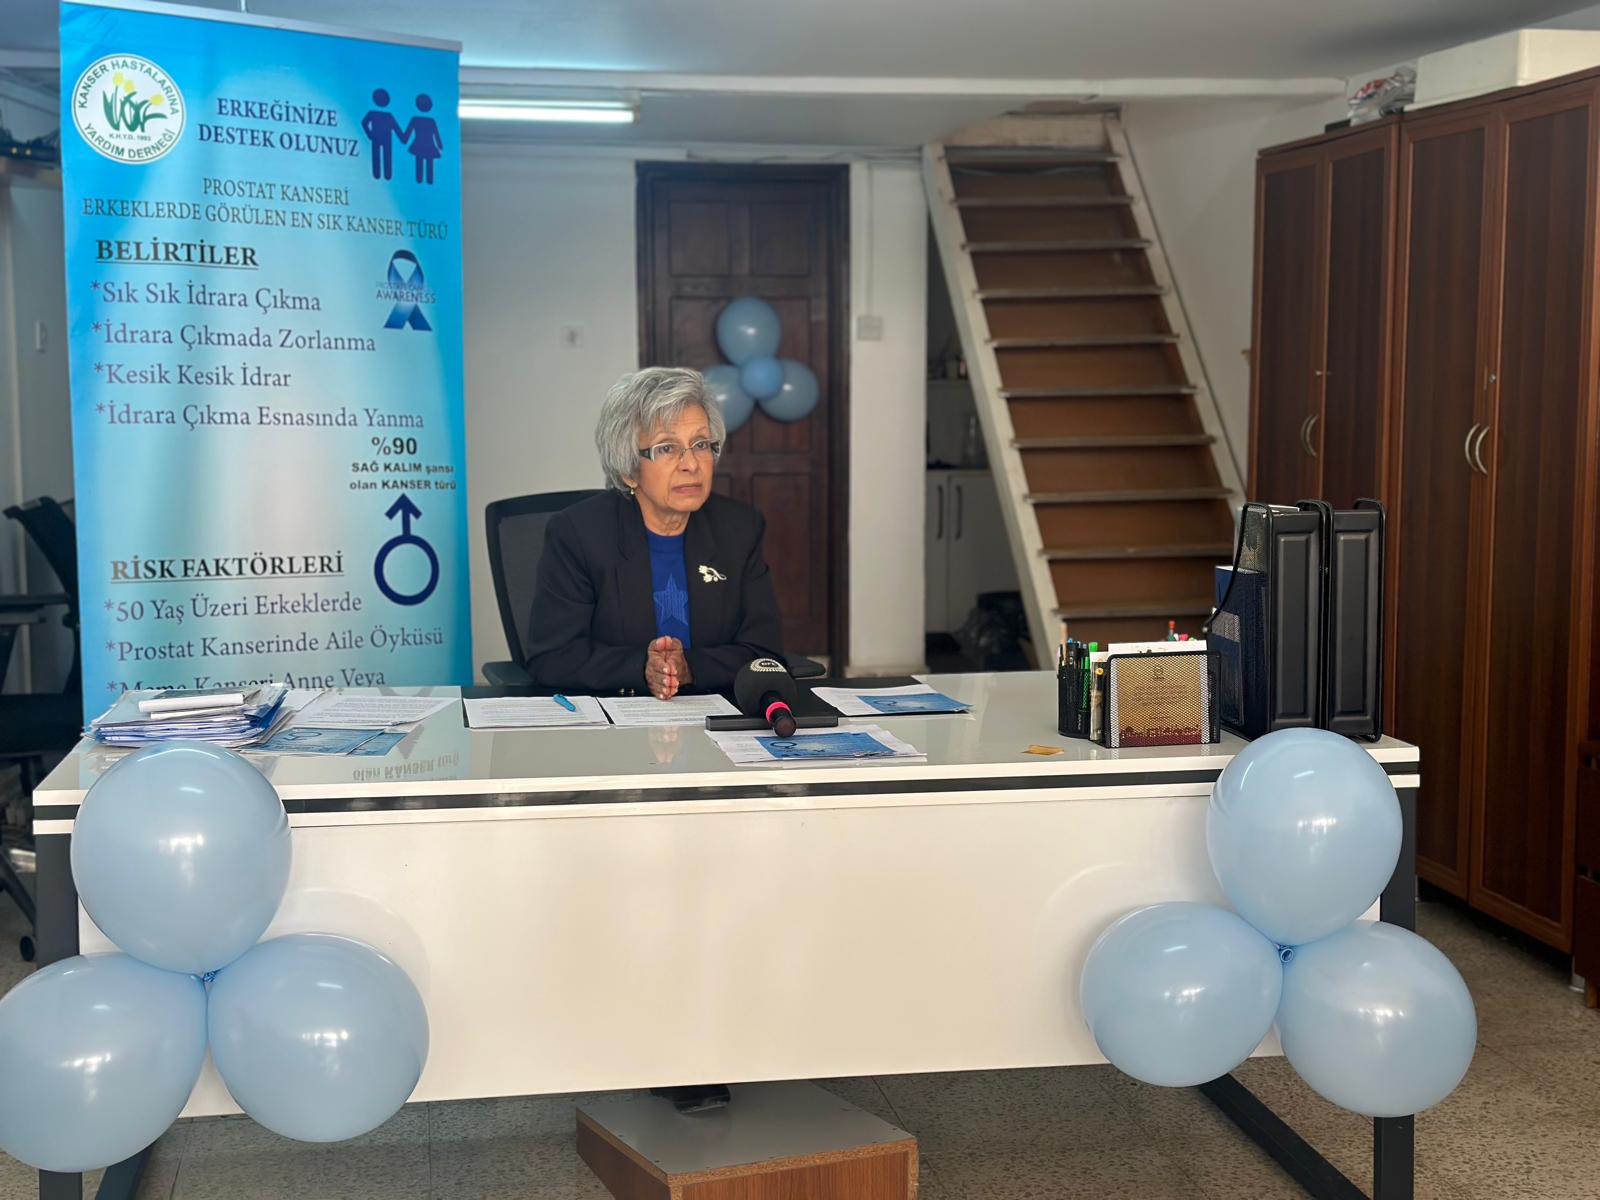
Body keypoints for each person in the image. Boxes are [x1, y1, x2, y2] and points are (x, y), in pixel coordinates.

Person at [525, 367, 785, 700]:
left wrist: (689, 667)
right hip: (618, 716)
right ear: (628, 470)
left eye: (700, 444)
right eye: (666, 448)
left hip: (714, 711)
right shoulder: (578, 534)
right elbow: (553, 656)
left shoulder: (739, 528)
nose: (691, 464)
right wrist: (642, 668)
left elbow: (765, 654)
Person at [403, 94, 443, 185]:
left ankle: (420, 180)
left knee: (419, 163)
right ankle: (427, 181)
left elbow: (408, 132)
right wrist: (439, 145)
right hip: (429, 145)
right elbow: (436, 134)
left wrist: (404, 139)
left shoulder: (415, 119)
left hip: (419, 145)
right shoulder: (431, 121)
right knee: (428, 164)